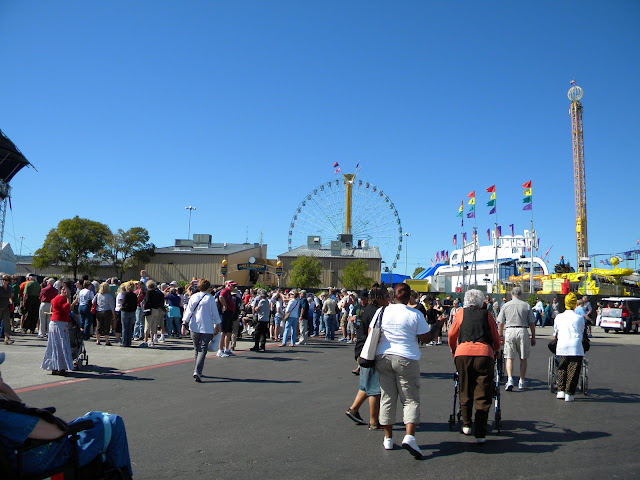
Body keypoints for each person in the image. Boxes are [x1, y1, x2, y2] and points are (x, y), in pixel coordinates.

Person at [0, 353, 133, 478]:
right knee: (113, 422)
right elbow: (58, 431)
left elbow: (20, 406)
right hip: (47, 457)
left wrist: (3, 387)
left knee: (93, 417)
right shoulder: (5, 416)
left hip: (31, 456)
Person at [375, 283, 444, 459]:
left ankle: (388, 438)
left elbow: (371, 331)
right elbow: (426, 338)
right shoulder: (415, 314)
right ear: (409, 297)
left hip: (383, 356)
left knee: (387, 397)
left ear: (393, 296)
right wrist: (438, 325)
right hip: (406, 357)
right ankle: (409, 436)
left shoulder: (382, 311)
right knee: (410, 399)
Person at [448, 289, 501, 444]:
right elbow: (495, 336)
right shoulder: (487, 315)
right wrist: (496, 349)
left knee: (464, 388)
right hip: (484, 354)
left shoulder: (461, 313)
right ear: (480, 301)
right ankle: (480, 432)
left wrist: (453, 349)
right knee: (483, 392)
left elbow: (451, 334)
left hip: (463, 353)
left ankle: (466, 424)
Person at [345, 288, 386, 429]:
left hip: (362, 350)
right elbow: (374, 332)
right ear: (379, 298)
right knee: (374, 388)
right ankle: (374, 422)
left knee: (365, 385)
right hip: (369, 351)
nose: (388, 299)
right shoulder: (376, 312)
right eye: (385, 296)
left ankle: (353, 409)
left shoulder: (368, 309)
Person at [496, 287, 536, 391]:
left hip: (510, 330)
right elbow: (532, 323)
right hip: (522, 330)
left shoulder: (506, 305)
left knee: (509, 357)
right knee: (523, 358)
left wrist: (500, 335)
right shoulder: (526, 305)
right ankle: (521, 381)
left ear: (511, 295)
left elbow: (500, 323)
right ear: (521, 295)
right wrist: (533, 336)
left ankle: (510, 379)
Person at [182, 278, 221, 382]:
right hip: (206, 327)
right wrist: (218, 324)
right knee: (203, 349)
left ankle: (197, 369)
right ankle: (197, 371)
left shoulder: (193, 297)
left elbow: (188, 311)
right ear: (208, 287)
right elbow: (215, 313)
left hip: (194, 326)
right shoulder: (210, 298)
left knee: (196, 349)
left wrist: (184, 323)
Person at [553, 293, 586, 402]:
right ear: (575, 304)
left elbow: (555, 332)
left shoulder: (559, 317)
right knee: (573, 370)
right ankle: (569, 393)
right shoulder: (579, 318)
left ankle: (560, 390)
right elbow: (581, 332)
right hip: (575, 346)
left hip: (562, 345)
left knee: (562, 368)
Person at [41, 281, 77, 375]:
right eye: (63, 289)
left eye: (66, 289)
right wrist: (69, 299)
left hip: (57, 322)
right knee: (60, 345)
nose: (64, 291)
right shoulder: (61, 299)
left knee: (56, 345)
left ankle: (56, 366)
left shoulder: (56, 298)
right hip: (59, 323)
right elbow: (67, 309)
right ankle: (59, 367)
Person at [217, 280, 238, 357]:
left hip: (229, 314)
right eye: (233, 285)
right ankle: (220, 350)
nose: (234, 287)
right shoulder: (225, 291)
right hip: (226, 313)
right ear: (228, 285)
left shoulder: (228, 292)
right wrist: (224, 305)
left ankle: (226, 349)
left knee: (228, 332)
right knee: (223, 332)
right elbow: (221, 297)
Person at [142, 280, 165, 347]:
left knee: (147, 325)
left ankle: (145, 340)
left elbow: (147, 301)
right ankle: (152, 340)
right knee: (154, 325)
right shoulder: (158, 293)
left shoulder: (149, 292)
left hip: (150, 309)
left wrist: (144, 307)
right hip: (156, 309)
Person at [120, 282, 138, 347]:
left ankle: (124, 342)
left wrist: (122, 306)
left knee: (124, 328)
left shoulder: (126, 294)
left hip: (125, 311)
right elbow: (136, 304)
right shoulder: (134, 295)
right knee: (130, 328)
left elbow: (124, 303)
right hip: (132, 312)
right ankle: (129, 342)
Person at [0, 274, 14, 345]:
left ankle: (7, 338)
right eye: (2, 279)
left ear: (8, 281)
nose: (3, 281)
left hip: (6, 307)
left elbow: (10, 296)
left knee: (7, 322)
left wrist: (11, 301)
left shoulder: (9, 288)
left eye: (5, 280)